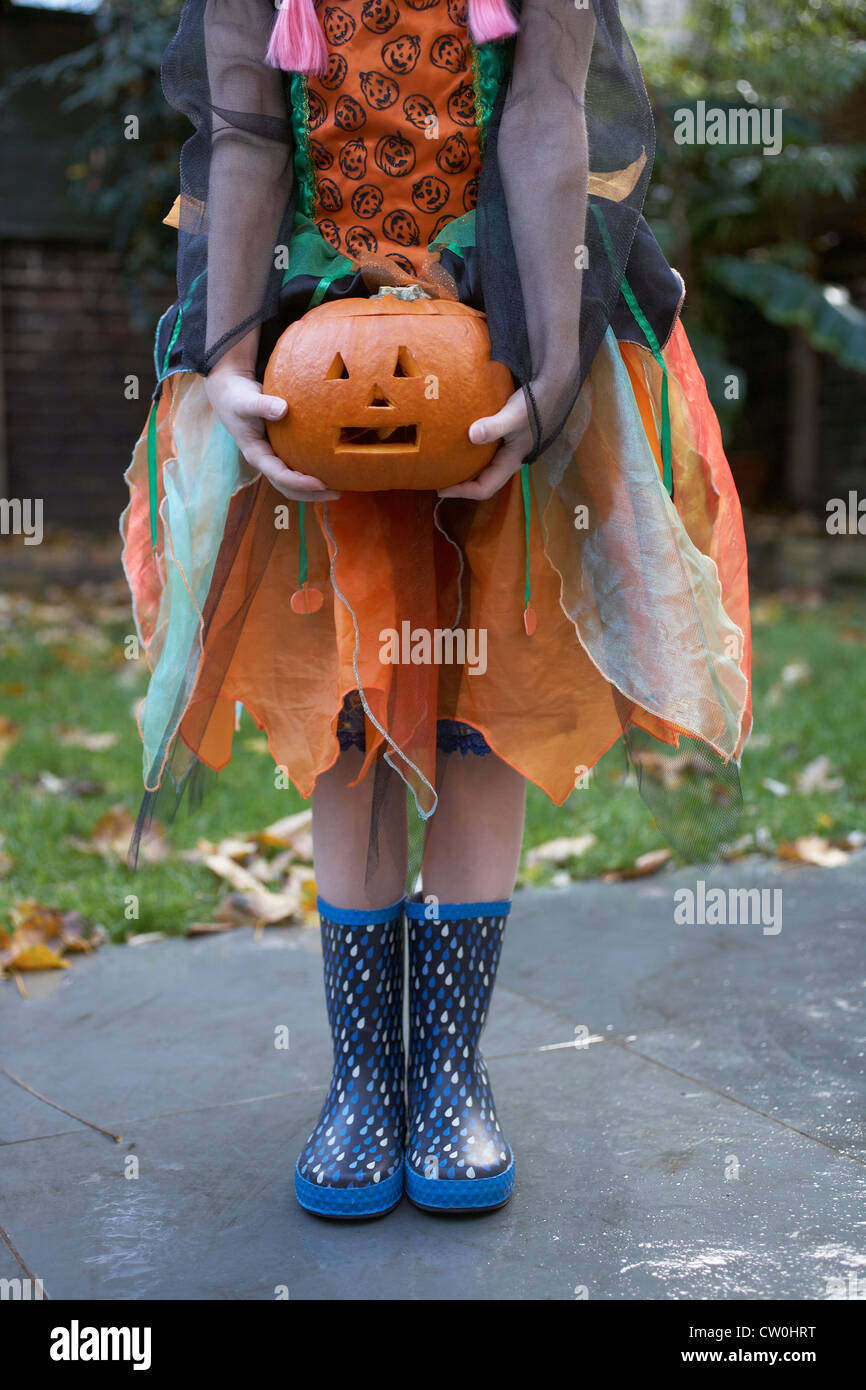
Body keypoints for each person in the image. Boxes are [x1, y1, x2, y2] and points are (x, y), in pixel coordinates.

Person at [121, 0, 752, 1219]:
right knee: (351, 712)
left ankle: (449, 1070)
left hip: (507, 320)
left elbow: (545, 113)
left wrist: (548, 370)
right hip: (318, 344)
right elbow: (248, 132)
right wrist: (234, 351)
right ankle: (364, 1076)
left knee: (483, 701)